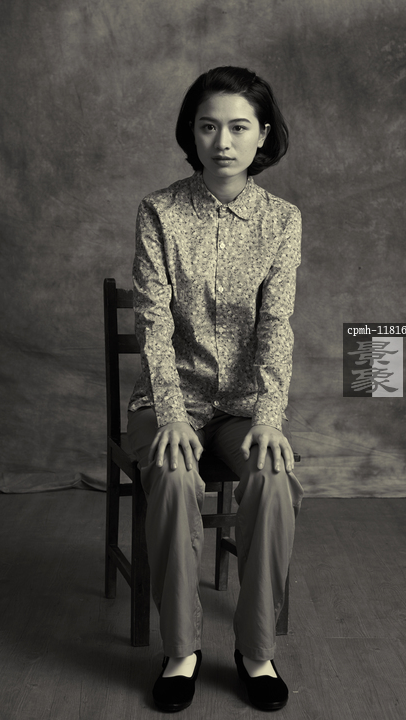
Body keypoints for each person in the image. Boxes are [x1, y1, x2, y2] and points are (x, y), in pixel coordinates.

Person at [126, 65, 303, 713]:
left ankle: (256, 652)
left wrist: (270, 415)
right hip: (166, 402)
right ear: (191, 133)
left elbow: (276, 325)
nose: (222, 142)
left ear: (263, 135)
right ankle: (181, 652)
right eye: (208, 126)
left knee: (274, 479)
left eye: (238, 127)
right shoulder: (160, 211)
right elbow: (151, 321)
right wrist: (171, 412)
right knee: (175, 475)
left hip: (243, 407)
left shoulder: (282, 221)